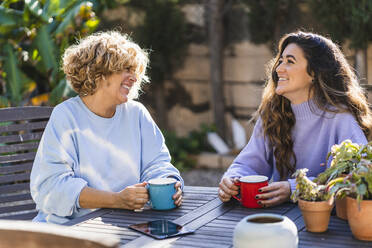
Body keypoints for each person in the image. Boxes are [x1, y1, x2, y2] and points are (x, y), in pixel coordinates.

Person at [30, 31, 183, 224]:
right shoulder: (66, 116)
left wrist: (169, 183)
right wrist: (116, 200)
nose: (134, 78)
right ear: (99, 73)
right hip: (66, 228)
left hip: (123, 224)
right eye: (126, 69)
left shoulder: (136, 114)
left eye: (134, 70)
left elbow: (157, 164)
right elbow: (51, 187)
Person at [218, 31, 372, 208]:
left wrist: (294, 187)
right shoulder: (273, 113)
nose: (278, 68)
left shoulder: (341, 118)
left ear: (314, 72)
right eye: (281, 60)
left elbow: (355, 177)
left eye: (290, 61)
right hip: (280, 219)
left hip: (327, 223)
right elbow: (249, 163)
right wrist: (232, 179)